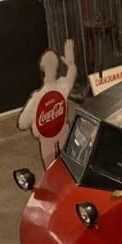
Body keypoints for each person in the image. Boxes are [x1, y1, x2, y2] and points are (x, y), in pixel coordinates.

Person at [18, 38, 77, 169]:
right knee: (69, 166)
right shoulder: (62, 86)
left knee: (51, 170)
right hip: (63, 131)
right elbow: (71, 76)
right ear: (57, 66)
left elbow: (22, 124)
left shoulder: (37, 98)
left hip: (46, 140)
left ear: (42, 69)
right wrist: (71, 64)